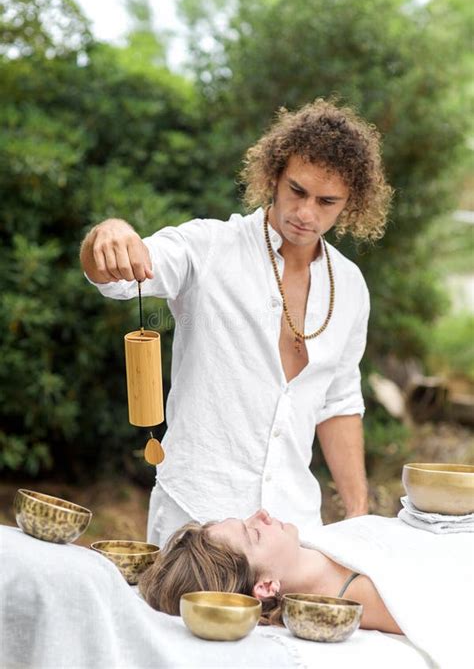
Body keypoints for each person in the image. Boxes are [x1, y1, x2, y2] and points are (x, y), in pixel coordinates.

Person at [80, 98, 393, 548]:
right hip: (195, 520)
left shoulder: (350, 285)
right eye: (297, 191)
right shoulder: (209, 246)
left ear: (352, 203)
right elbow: (119, 276)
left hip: (294, 533)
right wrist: (109, 233)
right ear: (274, 176)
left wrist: (358, 515)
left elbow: (339, 402)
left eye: (327, 202)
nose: (306, 213)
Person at [138, 508, 402, 634]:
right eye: (254, 533)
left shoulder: (318, 548)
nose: (261, 514)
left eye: (245, 520)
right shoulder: (370, 598)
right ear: (265, 586)